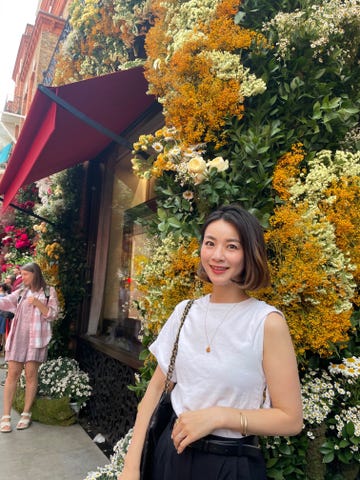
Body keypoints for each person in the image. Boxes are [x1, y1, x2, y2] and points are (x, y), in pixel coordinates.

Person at [119, 204, 303, 480]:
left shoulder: (266, 322)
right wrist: (131, 465)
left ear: (248, 253)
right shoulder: (185, 313)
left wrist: (219, 416)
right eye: (210, 243)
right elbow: (155, 391)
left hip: (230, 465)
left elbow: (291, 419)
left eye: (231, 246)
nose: (217, 256)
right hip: (171, 458)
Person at [0, 262, 59, 433]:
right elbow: (5, 302)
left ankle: (26, 413)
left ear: (35, 274)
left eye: (26, 275)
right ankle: (6, 416)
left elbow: (53, 314)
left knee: (31, 376)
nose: (22, 278)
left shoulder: (49, 292)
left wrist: (38, 304)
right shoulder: (21, 292)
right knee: (12, 375)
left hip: (37, 340)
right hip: (18, 338)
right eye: (22, 274)